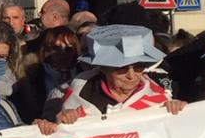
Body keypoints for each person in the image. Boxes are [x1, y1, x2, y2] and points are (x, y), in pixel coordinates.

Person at [55, 25, 188, 122]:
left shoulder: (159, 99)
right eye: (122, 68)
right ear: (104, 68)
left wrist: (181, 112)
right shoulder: (74, 95)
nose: (131, 75)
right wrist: (55, 124)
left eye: (138, 67)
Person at [12, 25, 81, 123]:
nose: (63, 52)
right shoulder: (31, 78)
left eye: (68, 49)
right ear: (47, 50)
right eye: (56, 48)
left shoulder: (83, 75)